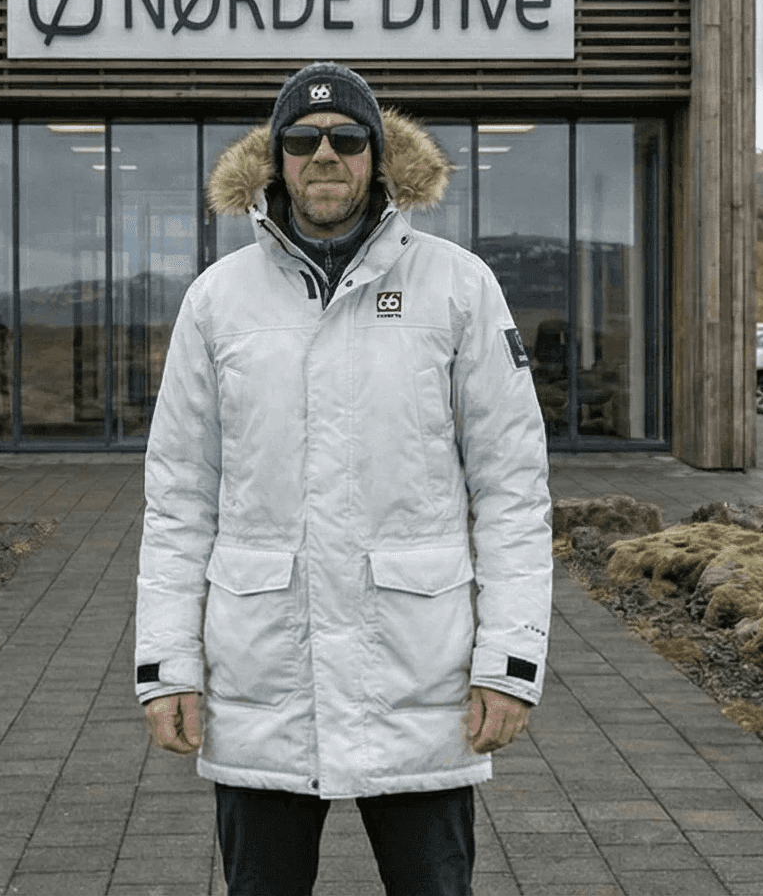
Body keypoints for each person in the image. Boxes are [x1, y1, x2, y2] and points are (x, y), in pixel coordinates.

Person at [135, 62, 553, 896]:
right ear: (275, 159)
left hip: (419, 682)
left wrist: (509, 661)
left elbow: (512, 486)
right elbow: (179, 496)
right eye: (302, 139)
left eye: (347, 138)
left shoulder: (458, 287)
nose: (324, 155)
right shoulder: (218, 302)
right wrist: (166, 664)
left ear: (379, 155)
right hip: (265, 688)